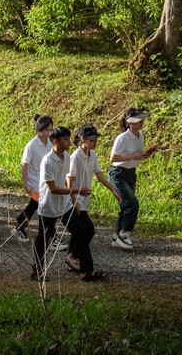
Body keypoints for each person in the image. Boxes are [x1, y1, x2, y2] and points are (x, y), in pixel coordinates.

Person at [32, 126, 105, 282]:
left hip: (65, 204)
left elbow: (66, 183)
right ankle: (37, 271)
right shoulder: (48, 161)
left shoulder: (66, 157)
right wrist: (76, 191)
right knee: (43, 239)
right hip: (49, 206)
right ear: (56, 142)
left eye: (68, 138)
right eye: (65, 139)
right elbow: (52, 189)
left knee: (82, 233)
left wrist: (73, 200)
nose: (69, 142)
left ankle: (87, 271)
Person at [64, 124, 122, 272]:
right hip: (76, 199)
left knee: (78, 231)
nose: (95, 142)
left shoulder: (92, 154)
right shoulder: (75, 157)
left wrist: (113, 190)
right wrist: (74, 200)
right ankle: (72, 257)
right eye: (91, 140)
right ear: (82, 140)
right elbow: (69, 179)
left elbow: (99, 174)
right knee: (88, 230)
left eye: (95, 139)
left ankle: (70, 260)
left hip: (84, 199)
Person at [108, 108, 156, 250]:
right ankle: (124, 234)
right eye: (138, 120)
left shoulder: (140, 136)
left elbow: (138, 154)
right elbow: (113, 158)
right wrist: (132, 157)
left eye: (142, 120)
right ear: (130, 123)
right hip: (118, 174)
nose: (142, 122)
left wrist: (146, 154)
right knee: (132, 203)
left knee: (125, 206)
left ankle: (116, 236)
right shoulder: (122, 138)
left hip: (131, 173)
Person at [14, 115, 54, 243]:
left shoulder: (50, 144)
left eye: (51, 130)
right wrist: (25, 184)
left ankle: (20, 223)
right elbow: (24, 165)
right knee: (41, 204)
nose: (50, 133)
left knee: (35, 204)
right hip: (34, 180)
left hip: (45, 180)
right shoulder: (31, 145)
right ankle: (51, 235)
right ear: (39, 130)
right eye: (47, 130)